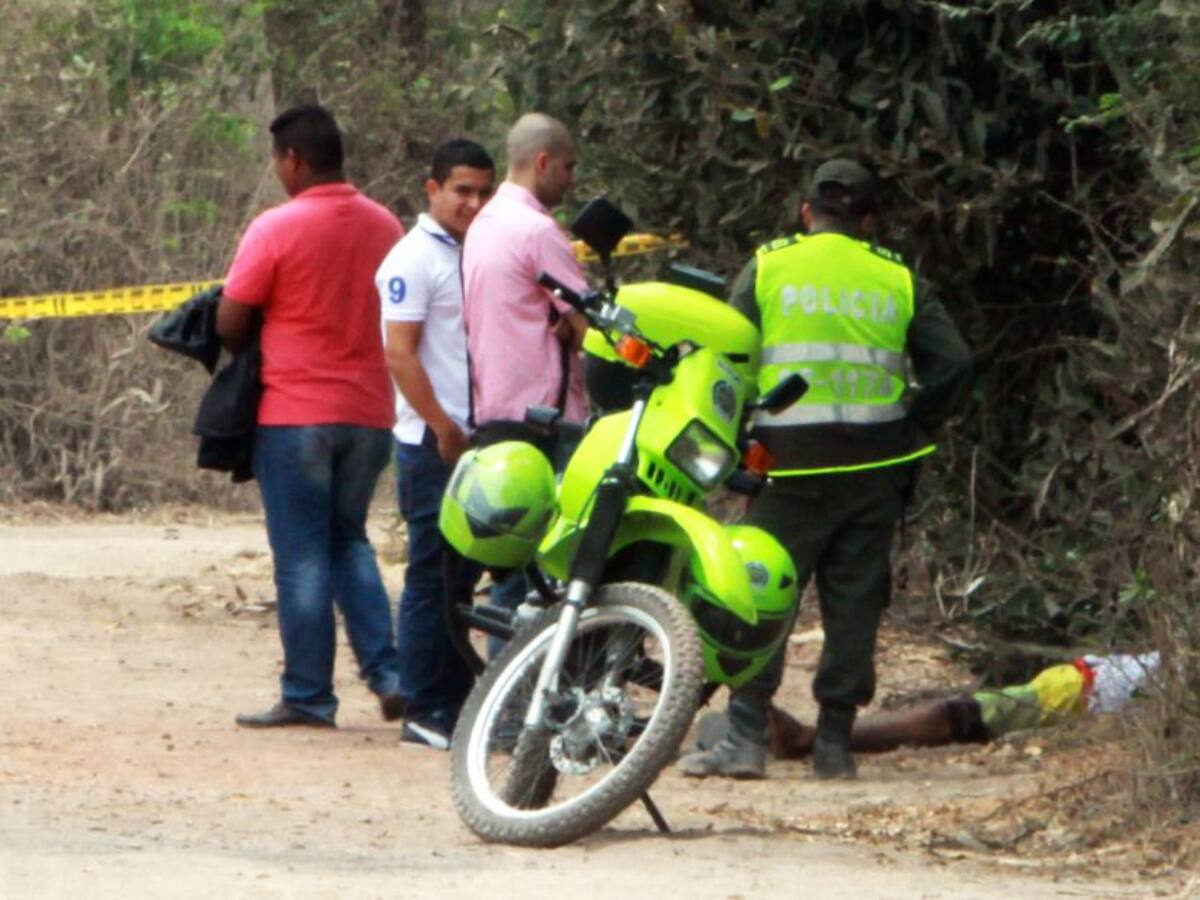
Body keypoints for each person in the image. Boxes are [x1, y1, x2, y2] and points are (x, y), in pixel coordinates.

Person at [679, 159, 973, 780]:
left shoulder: (769, 265)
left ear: (806, 211)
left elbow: (725, 360)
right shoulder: (897, 278)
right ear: (867, 222)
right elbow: (952, 364)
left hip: (784, 463)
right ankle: (834, 747)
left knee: (760, 591)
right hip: (876, 465)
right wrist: (915, 429)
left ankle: (747, 738)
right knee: (855, 602)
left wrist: (732, 450)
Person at [217, 104, 406, 729]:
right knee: (348, 540)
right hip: (371, 413)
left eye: (278, 161)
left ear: (293, 160)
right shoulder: (386, 227)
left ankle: (308, 694)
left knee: (301, 556)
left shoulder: (276, 228)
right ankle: (389, 673)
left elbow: (231, 319)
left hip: (295, 413)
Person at [374, 139, 496, 749]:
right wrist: (443, 425)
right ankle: (424, 708)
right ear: (433, 190)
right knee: (431, 574)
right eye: (461, 191)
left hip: (476, 439)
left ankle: (457, 699)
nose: (472, 203)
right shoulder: (412, 259)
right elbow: (400, 354)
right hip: (432, 443)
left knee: (461, 577)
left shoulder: (473, 252)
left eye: (483, 192)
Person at [460, 112, 589, 638]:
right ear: (542, 163)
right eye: (566, 167)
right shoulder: (539, 232)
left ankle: (502, 706)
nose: (571, 179)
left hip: (494, 412)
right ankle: (534, 707)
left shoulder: (481, 226)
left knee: (511, 566)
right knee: (553, 573)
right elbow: (587, 323)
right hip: (546, 419)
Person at [691, 652, 1162, 759]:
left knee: (953, 716)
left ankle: (806, 740)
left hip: (1086, 688)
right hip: (1085, 683)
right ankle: (807, 739)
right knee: (955, 714)